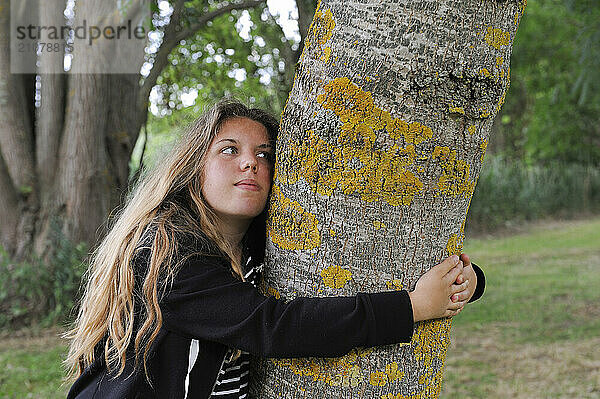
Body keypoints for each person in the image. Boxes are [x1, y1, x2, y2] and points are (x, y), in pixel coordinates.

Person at [64, 99, 485, 398]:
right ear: (194, 166)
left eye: (265, 155)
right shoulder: (165, 249)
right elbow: (271, 326)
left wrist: (465, 279)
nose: (251, 163)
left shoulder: (259, 245)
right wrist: (410, 307)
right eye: (229, 150)